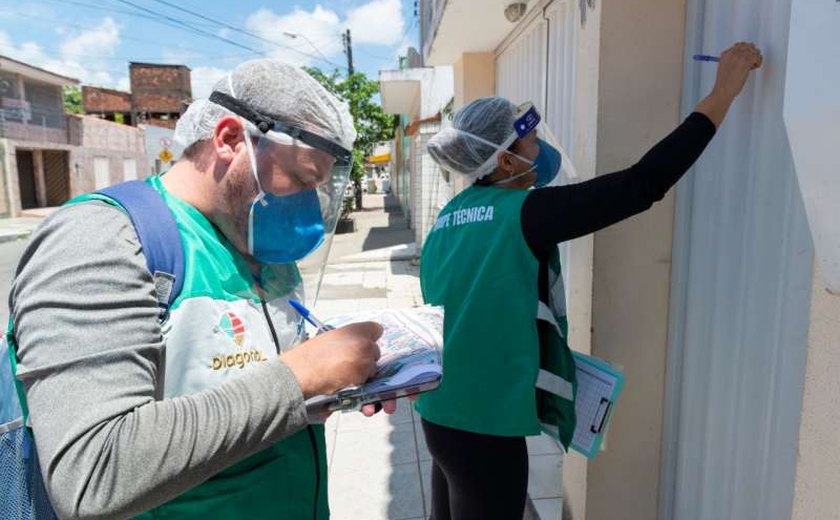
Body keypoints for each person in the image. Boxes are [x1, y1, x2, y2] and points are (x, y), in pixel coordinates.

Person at [9, 59, 397, 520]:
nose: (307, 206)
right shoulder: (102, 238)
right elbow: (92, 472)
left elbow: (243, 384)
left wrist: (335, 383)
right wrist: (299, 378)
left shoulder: (254, 239)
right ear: (231, 139)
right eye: (298, 180)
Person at [415, 42, 764, 520]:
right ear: (505, 162)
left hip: (441, 413)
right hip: (485, 427)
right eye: (530, 141)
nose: (540, 147)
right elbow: (643, 184)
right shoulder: (523, 214)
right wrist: (724, 91)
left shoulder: (448, 217)